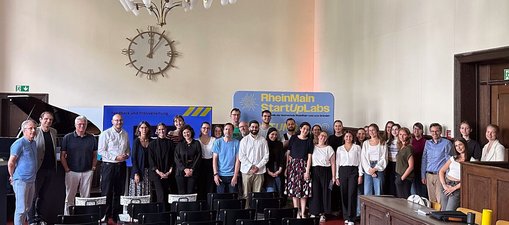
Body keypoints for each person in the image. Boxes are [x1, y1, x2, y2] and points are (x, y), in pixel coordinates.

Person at [61, 116, 98, 215]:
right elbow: (62, 155)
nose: (82, 126)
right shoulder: (67, 137)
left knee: (85, 197)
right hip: (71, 172)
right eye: (79, 124)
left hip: (87, 172)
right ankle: (68, 216)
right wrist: (67, 169)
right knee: (69, 196)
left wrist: (93, 168)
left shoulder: (92, 138)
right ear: (75, 125)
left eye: (84, 124)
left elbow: (95, 155)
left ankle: (83, 216)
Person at [98, 114, 130, 224]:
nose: (119, 122)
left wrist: (126, 155)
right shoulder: (105, 134)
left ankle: (116, 216)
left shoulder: (125, 134)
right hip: (109, 166)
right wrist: (116, 157)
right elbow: (101, 151)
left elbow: (128, 149)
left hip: (121, 166)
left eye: (120, 120)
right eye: (116, 120)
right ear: (112, 121)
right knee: (106, 192)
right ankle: (106, 217)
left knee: (119, 192)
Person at [28, 112, 58, 224]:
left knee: (44, 196)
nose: (48, 121)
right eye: (46, 119)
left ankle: (39, 217)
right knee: (33, 196)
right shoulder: (35, 131)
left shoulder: (54, 132)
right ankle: (31, 220)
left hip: (50, 169)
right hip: (38, 169)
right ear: (40, 120)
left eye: (50, 119)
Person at [8, 120, 37, 225]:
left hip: (31, 180)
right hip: (21, 181)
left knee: (27, 208)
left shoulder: (33, 142)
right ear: (24, 130)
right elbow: (11, 163)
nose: (33, 130)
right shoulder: (19, 143)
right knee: (21, 209)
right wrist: (12, 177)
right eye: (31, 128)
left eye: (34, 128)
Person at [286, 122, 314, 218]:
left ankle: (302, 212)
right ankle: (297, 212)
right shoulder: (293, 138)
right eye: (304, 128)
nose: (305, 130)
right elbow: (289, 153)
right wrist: (287, 167)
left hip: (304, 166)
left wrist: (307, 171)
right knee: (294, 191)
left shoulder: (309, 141)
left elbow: (310, 157)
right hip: (293, 166)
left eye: (307, 129)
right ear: (301, 128)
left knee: (304, 191)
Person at [239, 120, 269, 207]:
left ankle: (255, 214)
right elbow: (241, 156)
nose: (254, 129)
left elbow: (266, 156)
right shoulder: (244, 140)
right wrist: (251, 166)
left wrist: (257, 167)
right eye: (252, 127)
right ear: (249, 128)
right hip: (246, 171)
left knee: (257, 195)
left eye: (256, 127)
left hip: (259, 172)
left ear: (258, 128)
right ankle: (247, 213)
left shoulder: (263, 140)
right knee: (246, 195)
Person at [421, 123, 452, 204]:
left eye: (437, 131)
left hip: (440, 176)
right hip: (429, 175)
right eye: (432, 131)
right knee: (431, 200)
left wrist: (447, 177)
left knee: (440, 200)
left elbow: (449, 161)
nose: (434, 133)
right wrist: (423, 175)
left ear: (440, 131)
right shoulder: (427, 143)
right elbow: (424, 159)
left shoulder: (447, 143)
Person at [336, 131, 362, 224]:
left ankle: (351, 218)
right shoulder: (339, 149)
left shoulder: (357, 148)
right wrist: (336, 177)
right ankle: (346, 216)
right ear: (344, 138)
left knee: (352, 194)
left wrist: (360, 175)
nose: (348, 138)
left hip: (353, 171)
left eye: (350, 136)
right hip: (342, 171)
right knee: (344, 194)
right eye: (346, 136)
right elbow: (337, 163)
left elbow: (360, 162)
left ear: (353, 137)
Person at [309, 131, 336, 222]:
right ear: (318, 136)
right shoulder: (313, 147)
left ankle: (323, 213)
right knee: (315, 191)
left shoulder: (329, 148)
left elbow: (333, 163)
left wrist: (333, 176)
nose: (323, 137)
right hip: (314, 170)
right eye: (321, 135)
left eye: (325, 136)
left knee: (326, 192)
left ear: (326, 138)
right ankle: (314, 212)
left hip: (326, 172)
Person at [149, 123, 175, 209]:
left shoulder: (171, 143)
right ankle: (161, 217)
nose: (161, 131)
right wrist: (159, 173)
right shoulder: (152, 144)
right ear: (156, 131)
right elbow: (151, 160)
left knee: (168, 195)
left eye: (163, 129)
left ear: (166, 130)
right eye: (159, 129)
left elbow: (173, 159)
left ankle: (168, 217)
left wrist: (169, 172)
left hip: (169, 174)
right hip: (156, 174)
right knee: (161, 196)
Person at [439, 138, 471, 211]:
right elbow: (441, 171)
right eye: (456, 146)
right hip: (446, 184)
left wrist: (454, 188)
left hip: (457, 187)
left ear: (465, 145)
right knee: (443, 210)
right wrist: (444, 185)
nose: (458, 147)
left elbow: (467, 179)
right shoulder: (453, 158)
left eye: (460, 145)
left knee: (449, 210)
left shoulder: (471, 160)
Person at [212, 123, 241, 193]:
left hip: (232, 175)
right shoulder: (217, 142)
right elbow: (214, 160)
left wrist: (235, 176)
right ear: (223, 131)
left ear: (233, 131)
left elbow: (238, 160)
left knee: (232, 198)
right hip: (220, 175)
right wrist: (215, 174)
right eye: (226, 129)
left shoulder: (237, 143)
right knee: (221, 198)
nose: (228, 131)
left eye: (230, 129)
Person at [360, 123, 387, 196]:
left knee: (378, 192)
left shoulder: (383, 142)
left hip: (379, 168)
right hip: (368, 168)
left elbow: (384, 158)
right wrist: (370, 170)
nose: (371, 132)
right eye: (369, 130)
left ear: (377, 131)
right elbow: (363, 158)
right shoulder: (366, 143)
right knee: (367, 191)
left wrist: (375, 169)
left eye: (373, 130)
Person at [175, 125, 202, 194]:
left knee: (191, 193)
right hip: (180, 173)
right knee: (182, 193)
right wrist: (184, 169)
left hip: (193, 172)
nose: (186, 134)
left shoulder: (196, 143)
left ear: (191, 132)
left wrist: (191, 169)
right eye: (184, 132)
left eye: (188, 132)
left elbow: (198, 157)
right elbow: (176, 158)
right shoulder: (179, 145)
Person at [129, 121, 152, 196]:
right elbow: (133, 158)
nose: (144, 129)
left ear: (148, 129)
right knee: (137, 194)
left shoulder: (151, 141)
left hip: (148, 172)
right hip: (138, 171)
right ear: (139, 129)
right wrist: (136, 173)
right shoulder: (136, 142)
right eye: (142, 127)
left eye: (146, 127)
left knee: (147, 194)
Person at [198, 122, 216, 199]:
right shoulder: (197, 140)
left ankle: (210, 207)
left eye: (208, 128)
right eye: (204, 128)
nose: (206, 130)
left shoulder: (214, 139)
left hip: (211, 163)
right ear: (201, 129)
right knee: (200, 186)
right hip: (200, 164)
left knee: (210, 186)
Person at [394, 127, 414, 199]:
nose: (402, 136)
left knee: (404, 199)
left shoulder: (408, 148)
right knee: (400, 199)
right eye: (400, 134)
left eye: (404, 134)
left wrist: (402, 178)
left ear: (408, 135)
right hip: (399, 175)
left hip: (405, 178)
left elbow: (411, 166)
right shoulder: (401, 147)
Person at [264, 127, 285, 196]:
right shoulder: (264, 144)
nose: (274, 136)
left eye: (276, 134)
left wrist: (280, 170)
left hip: (278, 170)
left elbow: (282, 158)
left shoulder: (280, 144)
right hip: (268, 171)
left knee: (279, 190)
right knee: (270, 191)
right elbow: (264, 158)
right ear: (268, 134)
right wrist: (269, 171)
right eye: (272, 134)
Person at [410, 122, 427, 198]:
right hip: (412, 168)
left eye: (418, 129)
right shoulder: (411, 141)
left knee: (422, 191)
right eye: (414, 129)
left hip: (422, 168)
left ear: (422, 131)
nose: (416, 131)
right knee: (413, 191)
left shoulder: (425, 142)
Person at [385, 123, 400, 196]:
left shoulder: (401, 142)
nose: (394, 131)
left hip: (398, 164)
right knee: (390, 183)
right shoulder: (388, 141)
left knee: (397, 183)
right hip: (390, 164)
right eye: (393, 130)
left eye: (396, 129)